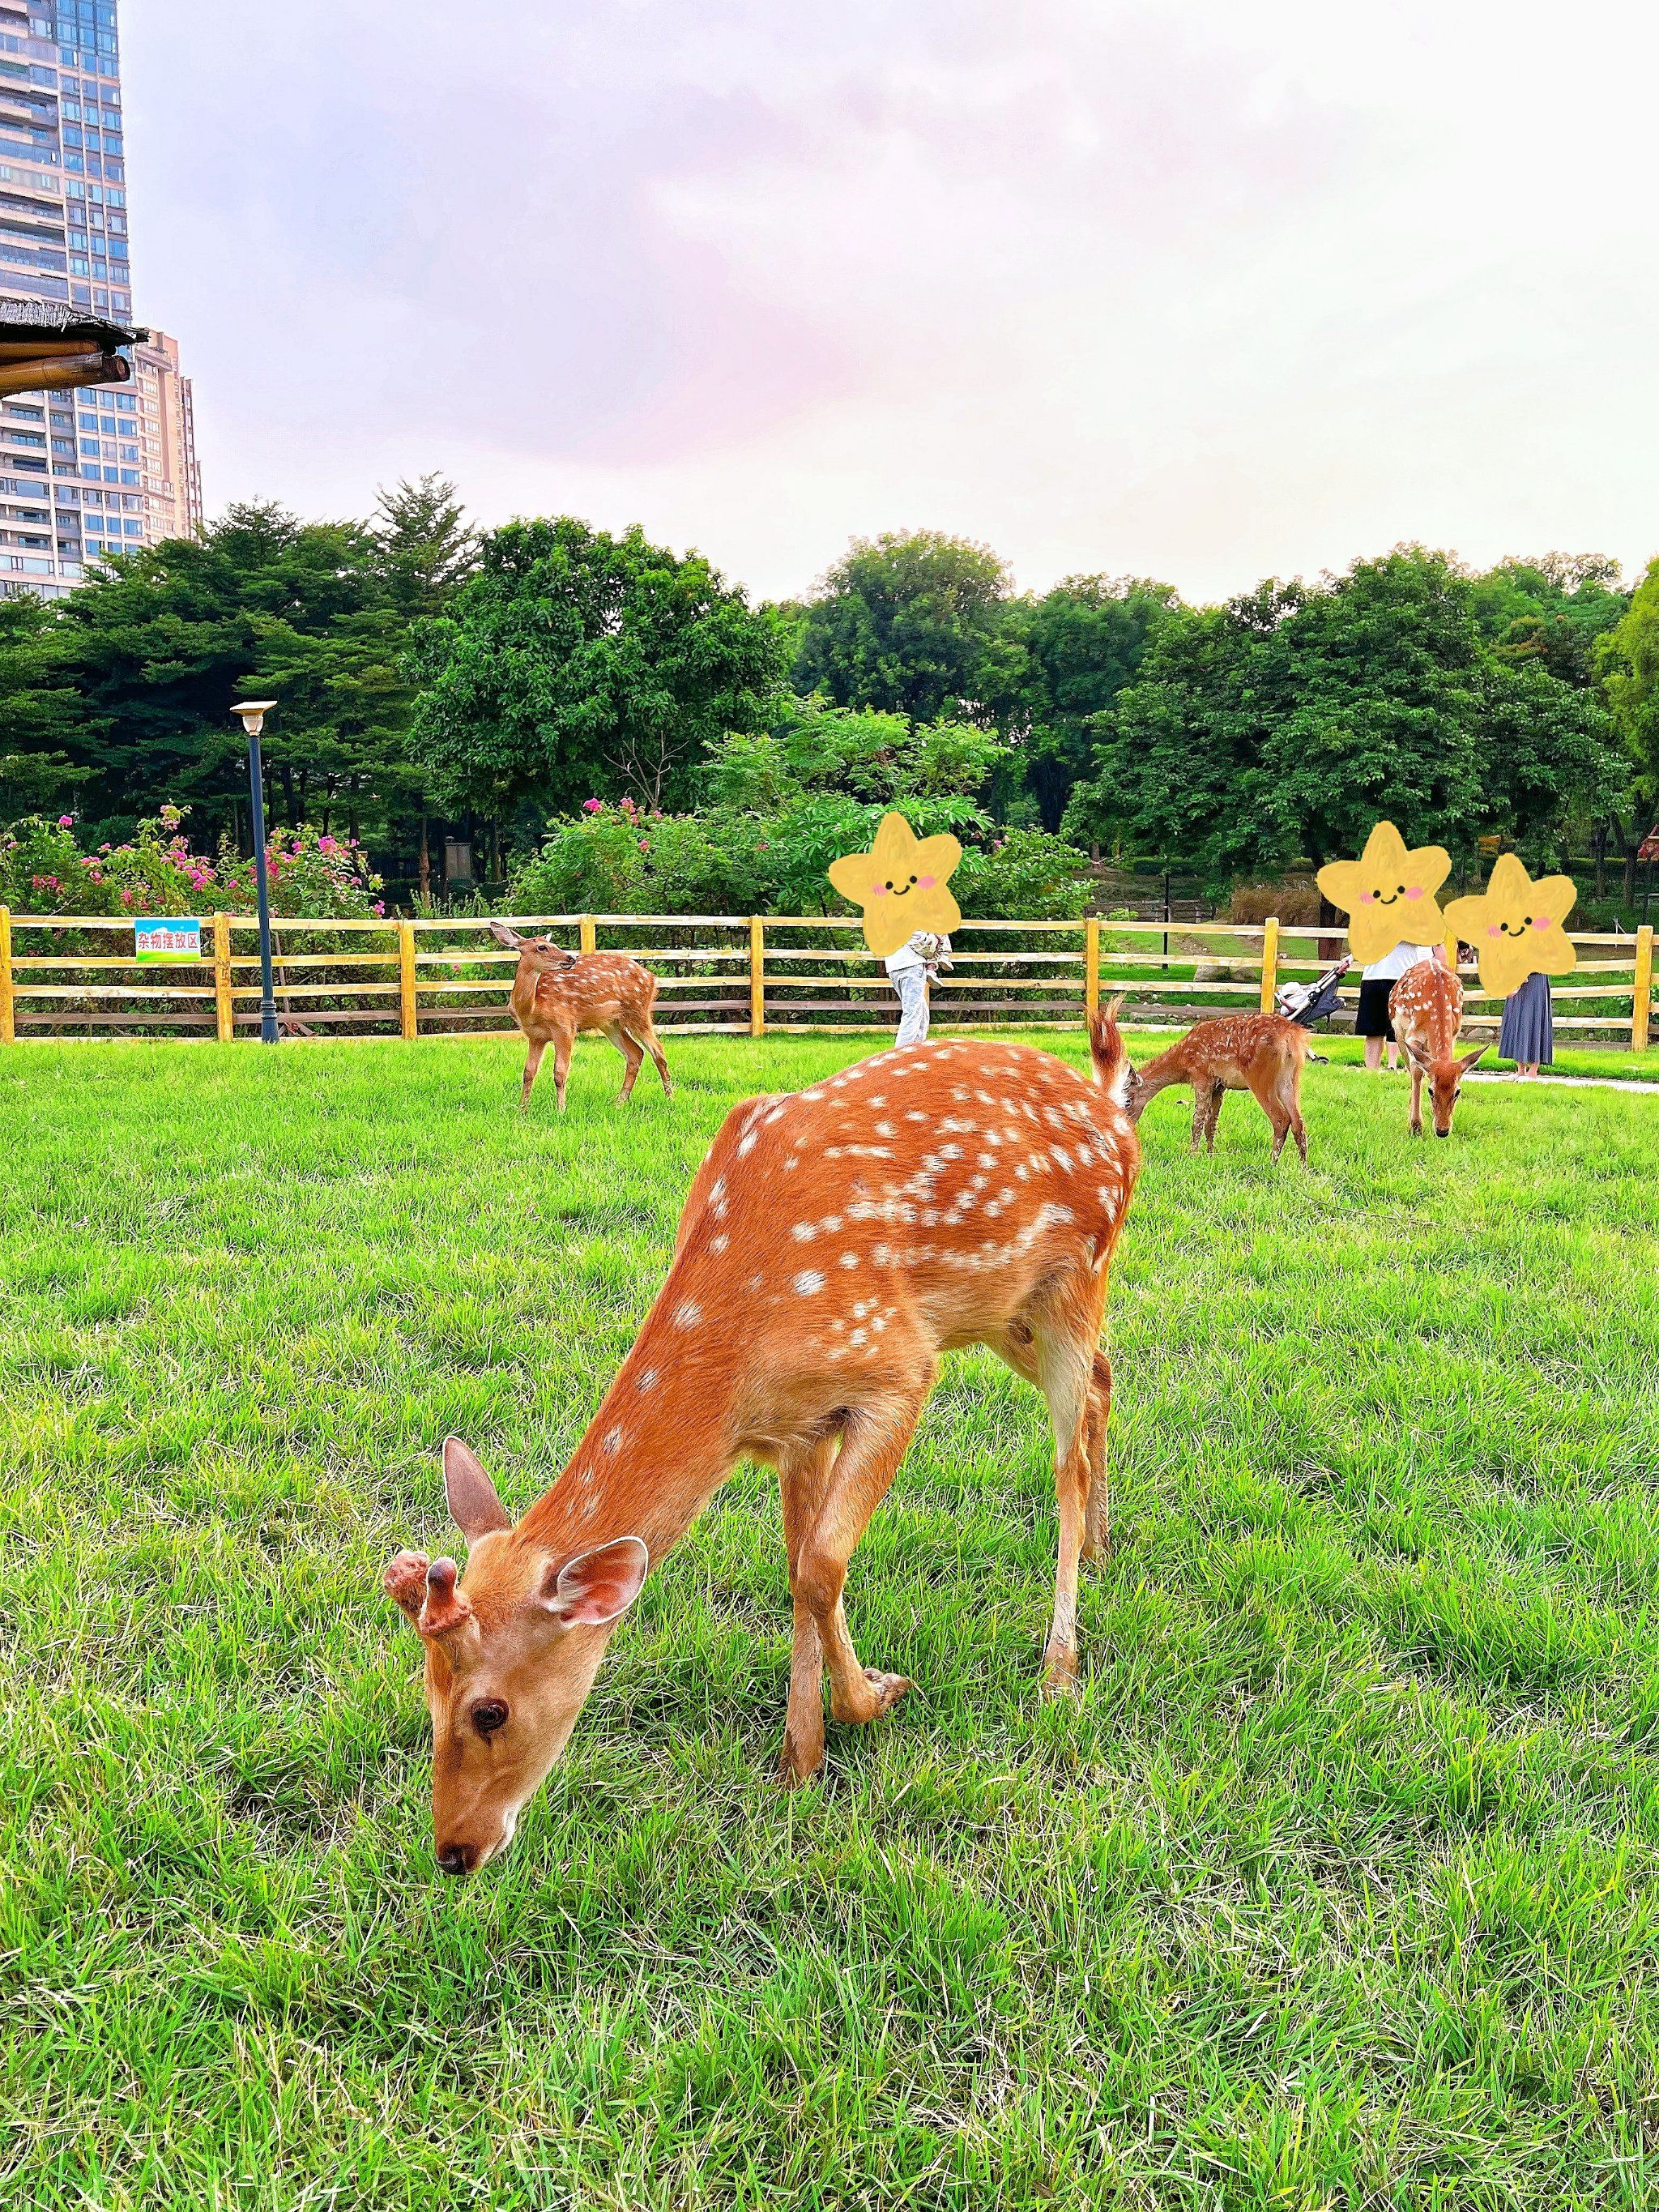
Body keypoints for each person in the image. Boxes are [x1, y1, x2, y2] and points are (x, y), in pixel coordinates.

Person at [1355, 937, 1435, 1070]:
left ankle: (1409, 1073)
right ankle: (1371, 1076)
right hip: (1372, 975)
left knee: (1405, 1031)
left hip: (1403, 976)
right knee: (1373, 1031)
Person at [886, 929, 951, 1047]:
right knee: (913, 1012)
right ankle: (902, 1053)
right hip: (910, 965)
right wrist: (936, 942)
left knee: (922, 1011)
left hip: (894, 965)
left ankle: (918, 1050)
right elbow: (921, 941)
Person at [1499, 967, 1553, 1078]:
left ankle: (1533, 1071)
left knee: (1533, 1020)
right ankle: (1520, 1069)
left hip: (1535, 978)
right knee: (1517, 1020)